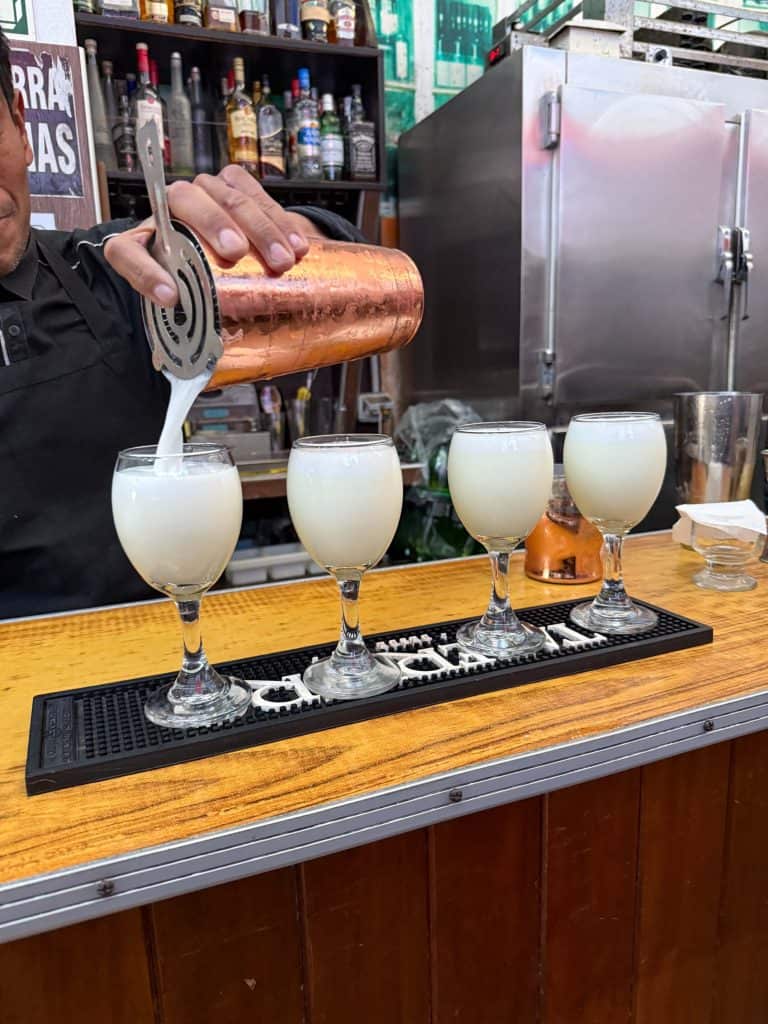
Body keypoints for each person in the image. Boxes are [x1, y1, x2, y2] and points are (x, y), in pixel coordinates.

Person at [0, 29, 364, 618]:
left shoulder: (116, 267)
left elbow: (342, 264)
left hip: (170, 656)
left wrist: (268, 244)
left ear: (20, 124)